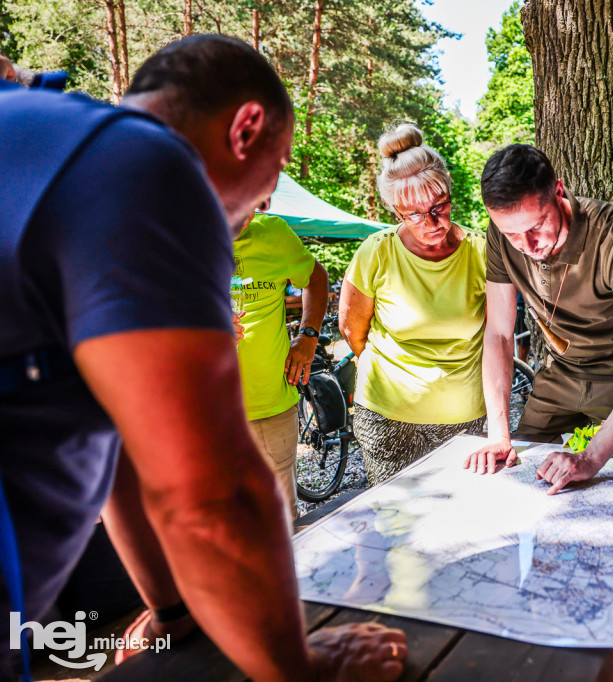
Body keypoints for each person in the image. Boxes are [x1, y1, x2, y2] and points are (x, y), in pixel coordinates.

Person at [0, 36, 405, 681]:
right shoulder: (153, 165)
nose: (259, 208)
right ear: (245, 128)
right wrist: (297, 669)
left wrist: (169, 610)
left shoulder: (40, 136)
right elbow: (215, 493)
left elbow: (119, 452)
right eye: (275, 170)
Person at [465, 144, 613, 495]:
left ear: (558, 192)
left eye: (536, 226)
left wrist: (590, 458)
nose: (526, 245)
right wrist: (499, 435)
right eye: (511, 235)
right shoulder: (503, 233)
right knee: (516, 480)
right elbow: (498, 333)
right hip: (558, 377)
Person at [339, 122, 487, 486]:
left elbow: (499, 336)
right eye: (414, 214)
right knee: (395, 522)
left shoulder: (481, 250)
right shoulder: (377, 251)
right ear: (396, 212)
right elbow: (351, 328)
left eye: (439, 206)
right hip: (387, 415)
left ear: (450, 193)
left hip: (464, 413)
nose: (431, 221)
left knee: (460, 517)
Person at [235, 209, 329, 518]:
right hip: (196, 419)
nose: (246, 214)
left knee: (282, 527)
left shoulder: (272, 232)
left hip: (270, 409)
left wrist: (308, 336)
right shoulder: (166, 237)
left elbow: (315, 277)